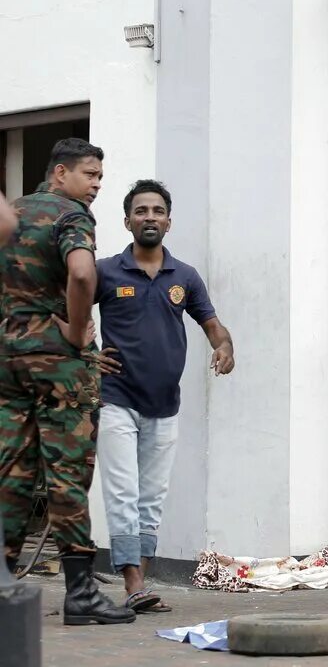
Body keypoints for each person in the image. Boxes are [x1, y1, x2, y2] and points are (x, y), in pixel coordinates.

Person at [0, 137, 136, 624]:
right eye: (89, 174)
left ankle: (4, 582)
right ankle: (80, 594)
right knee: (68, 474)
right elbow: (81, 274)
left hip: (9, 357)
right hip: (58, 363)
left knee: (11, 472)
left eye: (100, 176)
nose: (97, 185)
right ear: (59, 174)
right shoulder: (70, 214)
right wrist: (78, 333)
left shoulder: (11, 213)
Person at [93, 179, 235, 614]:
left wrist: (224, 347)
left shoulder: (185, 277)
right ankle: (135, 584)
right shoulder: (105, 271)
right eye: (141, 211)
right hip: (116, 399)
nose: (149, 217)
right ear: (127, 221)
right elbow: (68, 311)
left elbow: (213, 325)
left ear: (168, 222)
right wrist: (86, 354)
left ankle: (140, 583)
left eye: (157, 211)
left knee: (151, 496)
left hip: (164, 405)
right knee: (123, 492)